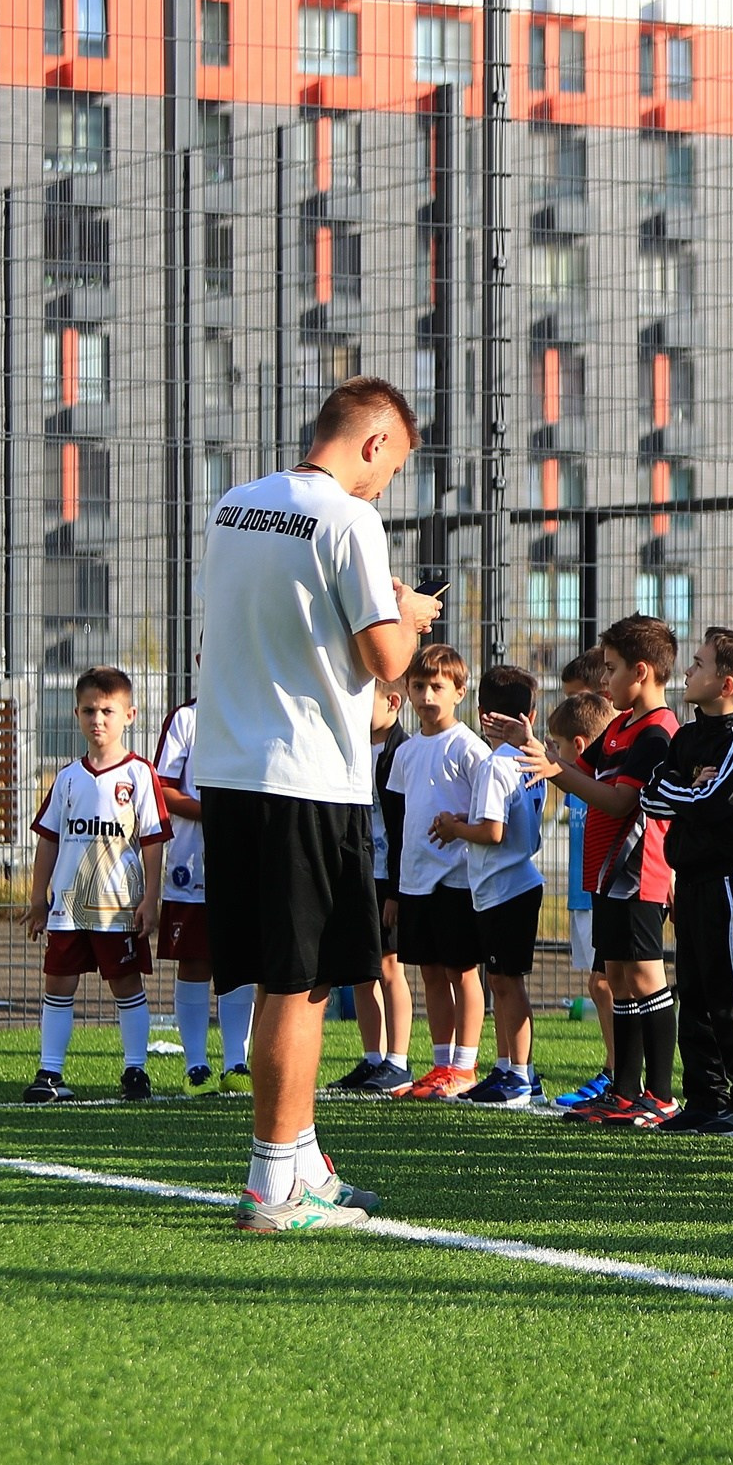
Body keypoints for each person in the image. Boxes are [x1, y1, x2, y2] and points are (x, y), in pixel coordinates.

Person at [196, 377, 439, 1230]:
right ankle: (274, 1183)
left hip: (229, 767)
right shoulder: (349, 518)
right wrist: (408, 614)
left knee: (280, 975)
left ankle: (301, 1159)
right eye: (395, 465)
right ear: (371, 443)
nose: (387, 485)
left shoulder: (234, 504)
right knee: (296, 986)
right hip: (305, 776)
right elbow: (384, 658)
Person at [520, 616, 681, 1127]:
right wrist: (543, 755)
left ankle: (659, 1093)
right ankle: (625, 1090)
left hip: (639, 869)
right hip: (609, 874)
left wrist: (557, 771)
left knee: (645, 976)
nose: (603, 681)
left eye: (610, 670)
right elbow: (579, 776)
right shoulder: (619, 726)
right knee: (616, 978)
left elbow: (617, 802)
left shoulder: (657, 732)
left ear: (641, 671)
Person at [637, 629, 733, 1135]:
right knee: (693, 990)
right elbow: (652, 798)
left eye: (697, 665)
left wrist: (688, 792)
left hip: (727, 880)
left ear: (726, 683)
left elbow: (710, 801)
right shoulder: (686, 738)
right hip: (691, 878)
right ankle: (704, 1098)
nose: (687, 672)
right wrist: (685, 788)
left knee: (731, 990)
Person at [22, 668, 168, 1103]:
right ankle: (49, 1074)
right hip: (68, 904)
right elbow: (48, 839)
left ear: (129, 715)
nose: (97, 719)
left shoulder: (140, 775)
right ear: (76, 715)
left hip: (118, 905)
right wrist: (37, 898)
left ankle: (136, 1071)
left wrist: (151, 898)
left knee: (124, 983)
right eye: (89, 710)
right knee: (57, 982)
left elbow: (153, 839)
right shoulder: (67, 778)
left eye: (108, 710)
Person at [439, 665, 549, 1107]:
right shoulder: (527, 758)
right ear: (532, 716)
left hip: (505, 886)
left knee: (507, 984)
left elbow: (493, 832)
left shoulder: (495, 764)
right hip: (511, 883)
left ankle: (521, 1074)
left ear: (482, 714)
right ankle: (507, 1067)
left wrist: (454, 828)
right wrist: (467, 822)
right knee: (503, 981)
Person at [385, 644, 490, 1101]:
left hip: (457, 878)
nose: (427, 695)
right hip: (416, 878)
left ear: (459, 692)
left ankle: (465, 1066)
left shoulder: (469, 747)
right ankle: (442, 1062)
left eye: (438, 687)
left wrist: (459, 830)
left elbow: (490, 808)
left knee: (462, 971)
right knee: (429, 972)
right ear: (406, 689)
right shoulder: (406, 752)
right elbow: (399, 817)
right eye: (419, 686)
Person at [154, 688, 251, 1093]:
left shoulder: (257, 710)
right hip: (189, 860)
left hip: (245, 858)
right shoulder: (186, 719)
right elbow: (163, 786)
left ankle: (237, 1064)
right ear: (200, 658)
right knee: (194, 961)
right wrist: (214, 815)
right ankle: (196, 1066)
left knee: (241, 961)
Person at [336, 682, 412, 1094]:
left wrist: (397, 890)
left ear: (392, 702)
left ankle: (398, 1061)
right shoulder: (348, 747)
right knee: (362, 971)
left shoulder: (402, 752)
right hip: (357, 871)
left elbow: (403, 826)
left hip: (388, 877)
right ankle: (372, 1058)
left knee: (389, 967)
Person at [545, 681, 618, 1108]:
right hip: (584, 894)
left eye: (556, 746)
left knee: (604, 982)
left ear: (578, 744)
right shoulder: (581, 781)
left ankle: (617, 1071)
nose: (553, 753)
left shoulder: (605, 782)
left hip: (601, 892)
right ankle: (616, 1069)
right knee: (599, 983)